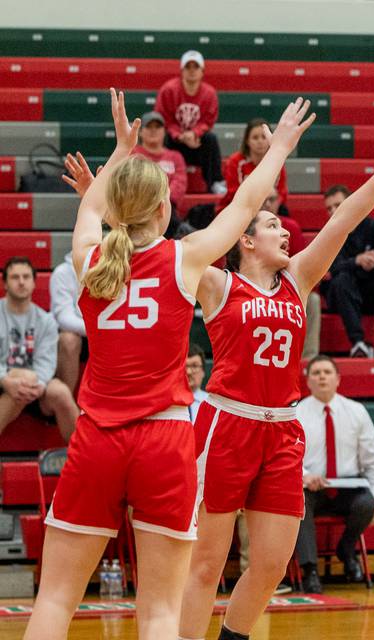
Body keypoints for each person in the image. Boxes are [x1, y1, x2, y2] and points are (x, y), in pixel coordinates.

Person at [23, 89, 314, 640]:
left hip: (98, 437)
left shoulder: (87, 258)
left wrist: (120, 150)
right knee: (158, 611)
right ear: (164, 210)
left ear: (113, 210)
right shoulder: (185, 257)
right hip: (164, 441)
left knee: (57, 597)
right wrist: (276, 149)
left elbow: (90, 210)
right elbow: (247, 203)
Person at [178, 118, 374, 640]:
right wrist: (276, 151)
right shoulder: (217, 283)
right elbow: (236, 208)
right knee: (207, 563)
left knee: (271, 563)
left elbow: (344, 221)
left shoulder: (299, 280)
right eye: (272, 227)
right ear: (246, 239)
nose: (285, 231)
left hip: (282, 430)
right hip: (227, 425)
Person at [294, 354, 374, 594]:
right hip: (312, 485)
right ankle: (310, 570)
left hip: (348, 485)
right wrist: (304, 475)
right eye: (316, 373)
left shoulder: (356, 411)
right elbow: (289, 455)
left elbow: (373, 459)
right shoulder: (297, 413)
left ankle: (346, 548)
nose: (322, 376)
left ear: (338, 379)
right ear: (308, 381)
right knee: (299, 504)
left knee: (367, 503)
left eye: (327, 372)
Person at [0, 257, 78, 442]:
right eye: (15, 277)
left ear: (34, 283)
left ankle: (84, 459)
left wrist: (40, 384)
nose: (21, 282)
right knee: (23, 379)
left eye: (26, 277)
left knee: (60, 392)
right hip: (3, 381)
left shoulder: (46, 321)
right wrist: (5, 380)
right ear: (5, 284)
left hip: (33, 385)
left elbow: (46, 362)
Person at [322, 185, 374, 358]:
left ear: (351, 203)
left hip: (368, 291)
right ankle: (358, 342)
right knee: (341, 280)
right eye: (329, 208)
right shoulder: (329, 233)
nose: (332, 211)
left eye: (337, 205)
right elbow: (332, 268)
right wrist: (357, 261)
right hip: (343, 295)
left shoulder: (373, 226)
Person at [260, 185, 321, 360]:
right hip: (256, 285)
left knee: (313, 300)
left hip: (285, 284)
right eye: (263, 199)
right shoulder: (245, 228)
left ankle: (308, 359)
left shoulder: (290, 227)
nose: (267, 204)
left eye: (271, 199)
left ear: (279, 201)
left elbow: (305, 265)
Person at [155, 50, 226, 195]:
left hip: (196, 142)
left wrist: (194, 133)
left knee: (211, 139)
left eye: (196, 67)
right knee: (163, 138)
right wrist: (179, 135)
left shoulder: (209, 93)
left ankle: (215, 182)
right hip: (175, 140)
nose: (192, 71)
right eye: (188, 67)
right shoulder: (168, 90)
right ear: (182, 70)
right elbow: (163, 118)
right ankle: (161, 181)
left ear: (202, 71)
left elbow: (208, 120)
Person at [218, 118, 289, 212]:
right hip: (238, 209)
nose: (260, 141)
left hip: (268, 208)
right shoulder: (235, 161)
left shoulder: (276, 161)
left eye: (264, 137)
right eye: (255, 138)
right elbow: (233, 192)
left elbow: (281, 193)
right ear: (247, 141)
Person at [49, 251, 86, 395]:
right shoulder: (62, 272)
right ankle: (66, 405)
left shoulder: (111, 269)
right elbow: (64, 319)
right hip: (82, 333)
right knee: (69, 339)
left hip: (102, 332)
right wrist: (99, 330)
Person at [186, 343, 208, 422]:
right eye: (184, 366)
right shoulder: (170, 405)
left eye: (194, 366)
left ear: (203, 371)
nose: (188, 372)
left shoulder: (211, 404)